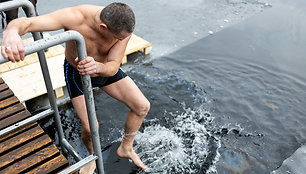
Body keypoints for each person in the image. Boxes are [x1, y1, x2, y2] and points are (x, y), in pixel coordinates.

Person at [1, 2, 150, 174]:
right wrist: (11, 33)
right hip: (77, 73)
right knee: (90, 127)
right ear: (103, 27)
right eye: (119, 38)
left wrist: (98, 67)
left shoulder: (123, 31)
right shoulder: (75, 17)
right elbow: (27, 23)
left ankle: (126, 148)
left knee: (142, 106)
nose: (123, 40)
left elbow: (113, 65)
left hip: (103, 69)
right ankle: (91, 156)